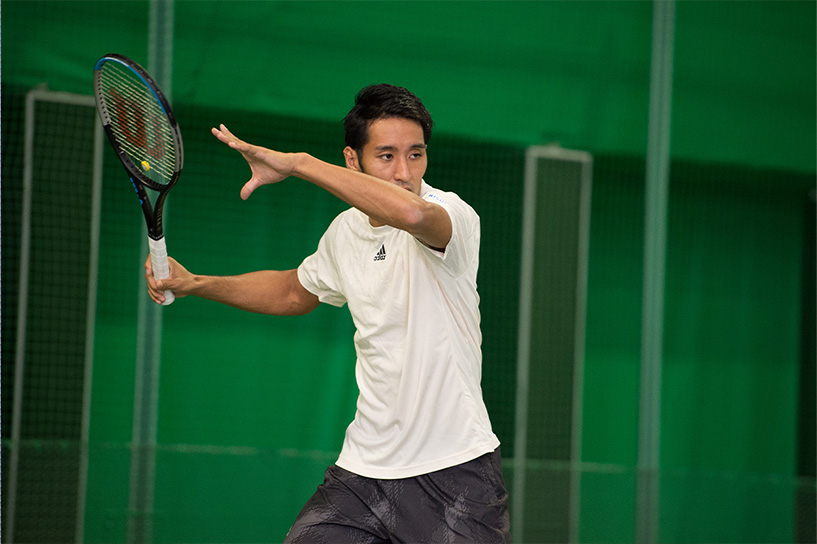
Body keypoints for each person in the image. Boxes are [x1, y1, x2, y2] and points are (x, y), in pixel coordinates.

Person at [145, 84, 511, 543]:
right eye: (386, 156)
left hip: (454, 472)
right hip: (363, 472)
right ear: (352, 160)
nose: (404, 172)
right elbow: (295, 291)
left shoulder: (450, 214)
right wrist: (197, 283)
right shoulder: (344, 233)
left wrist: (299, 163)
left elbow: (414, 217)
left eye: (415, 155)